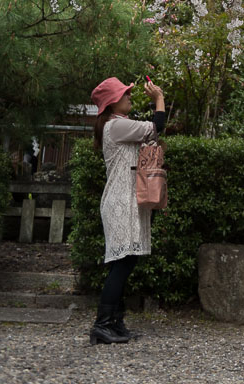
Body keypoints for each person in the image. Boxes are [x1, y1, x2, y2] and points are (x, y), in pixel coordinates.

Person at [88, 75, 165, 345]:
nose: (129, 97)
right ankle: (103, 325)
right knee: (121, 264)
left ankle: (116, 322)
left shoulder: (117, 125)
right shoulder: (115, 126)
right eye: (125, 95)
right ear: (112, 103)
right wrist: (159, 99)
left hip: (126, 201)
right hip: (121, 201)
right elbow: (157, 126)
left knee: (126, 262)